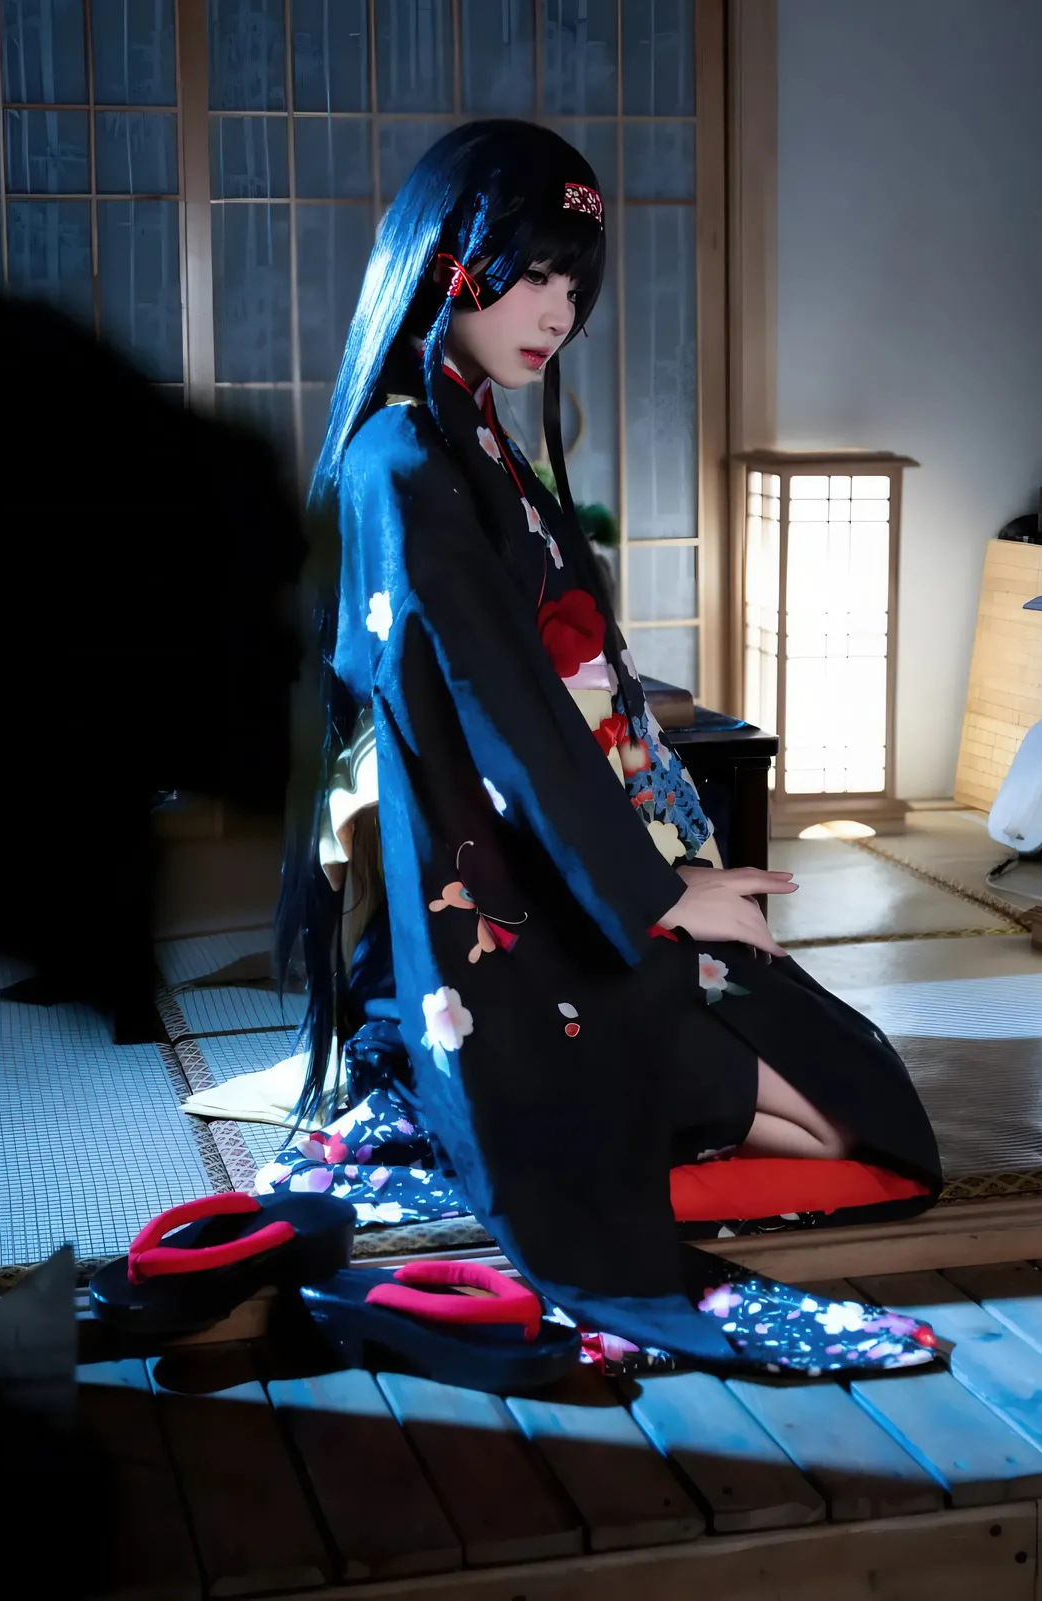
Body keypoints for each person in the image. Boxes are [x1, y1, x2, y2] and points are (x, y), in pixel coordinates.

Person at [270, 119, 942, 1367]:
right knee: (846, 1129)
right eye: (532, 273)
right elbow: (502, 716)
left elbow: (574, 692)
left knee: (860, 1087)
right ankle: (474, 1104)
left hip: (575, 878)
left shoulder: (481, 435)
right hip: (515, 925)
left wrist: (671, 868)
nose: (557, 312)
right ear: (448, 261)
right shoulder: (402, 455)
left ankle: (512, 1107)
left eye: (573, 286)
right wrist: (660, 895)